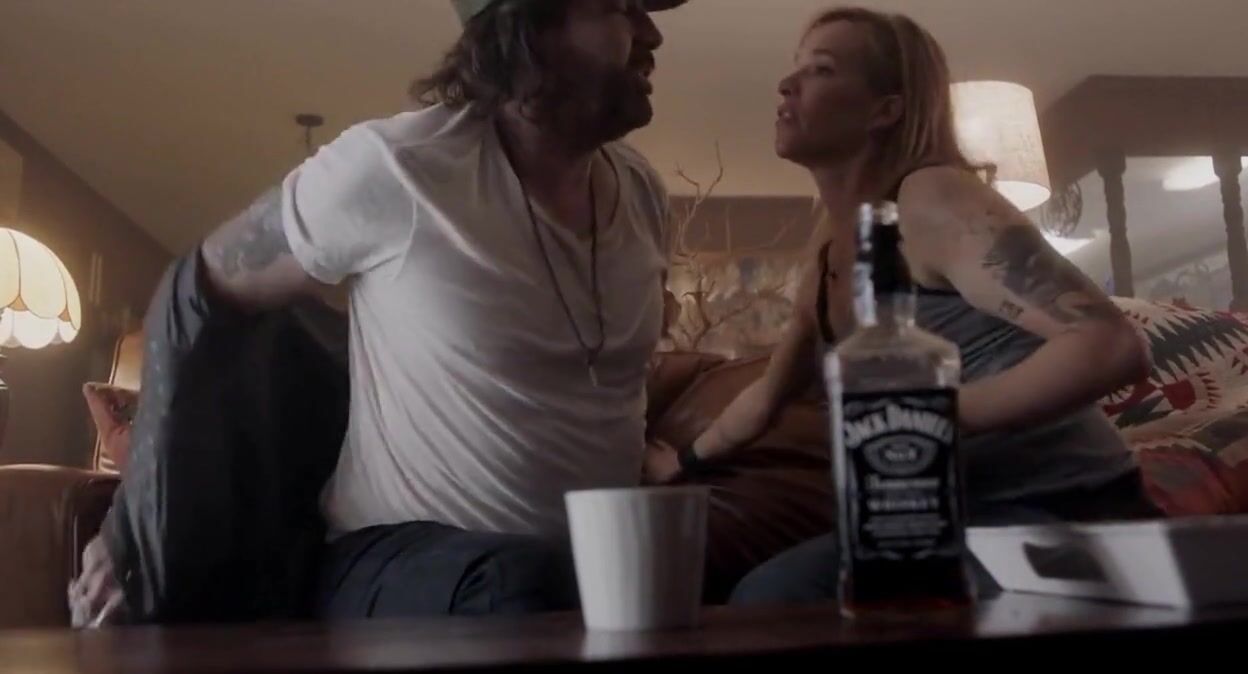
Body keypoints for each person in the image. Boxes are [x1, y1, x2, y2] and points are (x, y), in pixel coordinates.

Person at [71, 0, 687, 624]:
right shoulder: (398, 166)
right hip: (398, 563)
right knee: (518, 585)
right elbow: (193, 291)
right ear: (527, 27)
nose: (652, 33)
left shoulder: (642, 194)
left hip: (589, 572)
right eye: (620, 7)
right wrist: (133, 533)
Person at [660, 6, 1159, 605]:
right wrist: (680, 465)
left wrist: (926, 415)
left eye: (821, 69)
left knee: (776, 602)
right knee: (764, 595)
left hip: (1066, 507)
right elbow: (767, 397)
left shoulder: (931, 196)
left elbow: (1110, 346)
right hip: (943, 516)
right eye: (795, 68)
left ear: (886, 110)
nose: (787, 84)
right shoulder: (831, 245)